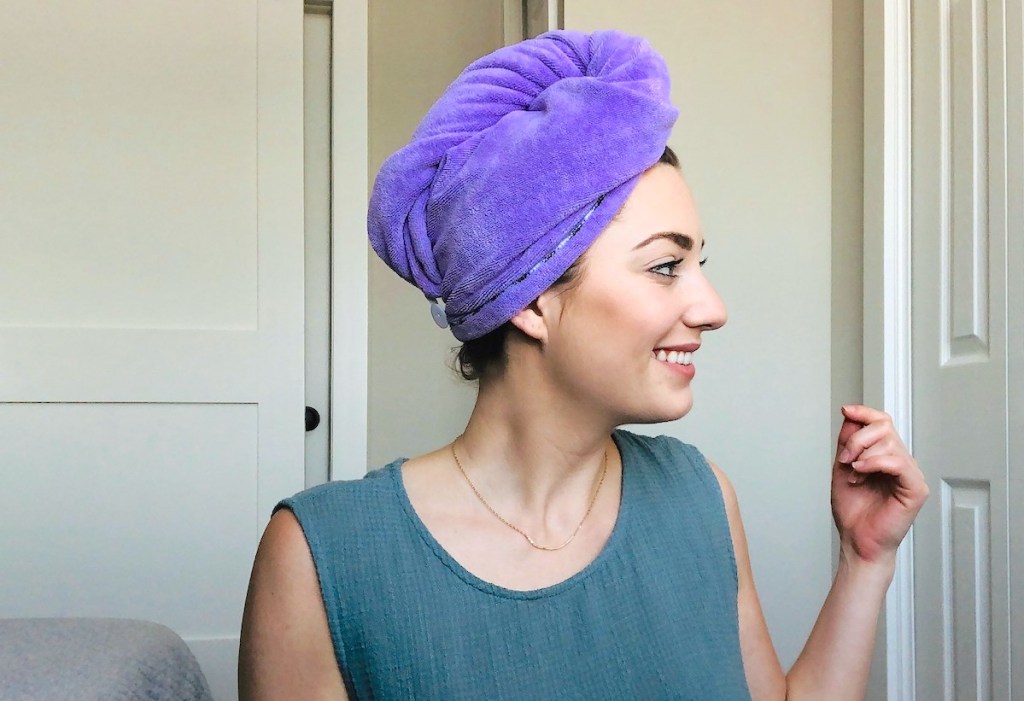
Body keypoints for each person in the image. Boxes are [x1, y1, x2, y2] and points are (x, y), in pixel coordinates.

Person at [238, 29, 928, 701]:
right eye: (666, 266)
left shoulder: (700, 498)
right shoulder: (322, 556)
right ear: (532, 299)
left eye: (699, 264)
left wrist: (866, 560)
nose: (712, 307)